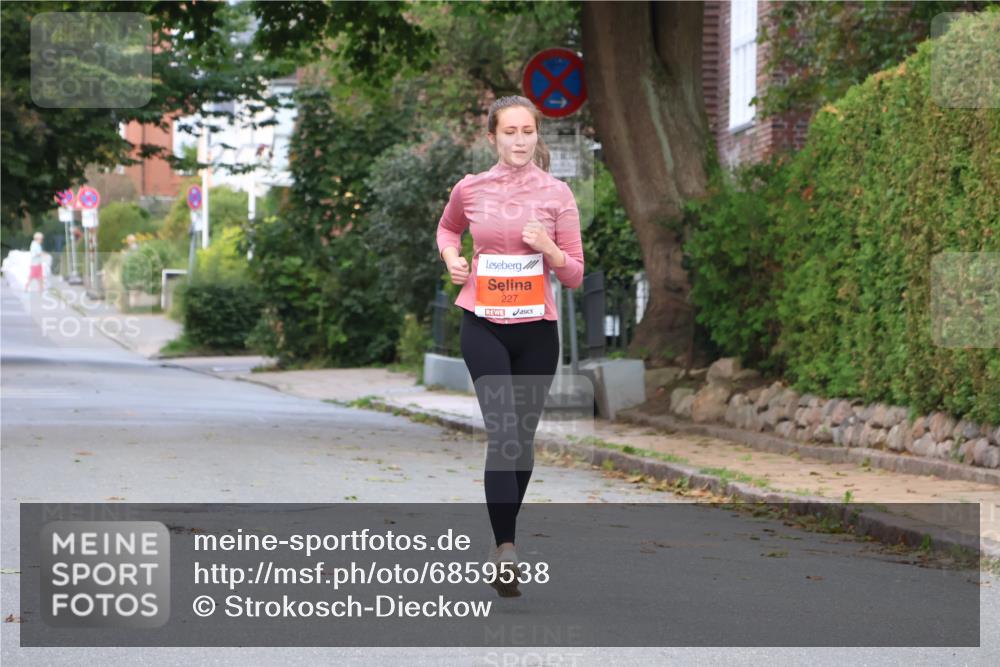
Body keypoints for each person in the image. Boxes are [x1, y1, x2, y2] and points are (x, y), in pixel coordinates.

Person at [436, 95, 584, 597]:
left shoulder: (558, 194)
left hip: (536, 331)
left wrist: (549, 249)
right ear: (493, 137)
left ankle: (505, 543)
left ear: (537, 135)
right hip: (484, 323)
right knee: (503, 431)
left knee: (519, 439)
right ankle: (506, 549)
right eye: (510, 132)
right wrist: (453, 259)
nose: (520, 141)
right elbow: (448, 228)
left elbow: (576, 274)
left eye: (527, 132)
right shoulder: (470, 188)